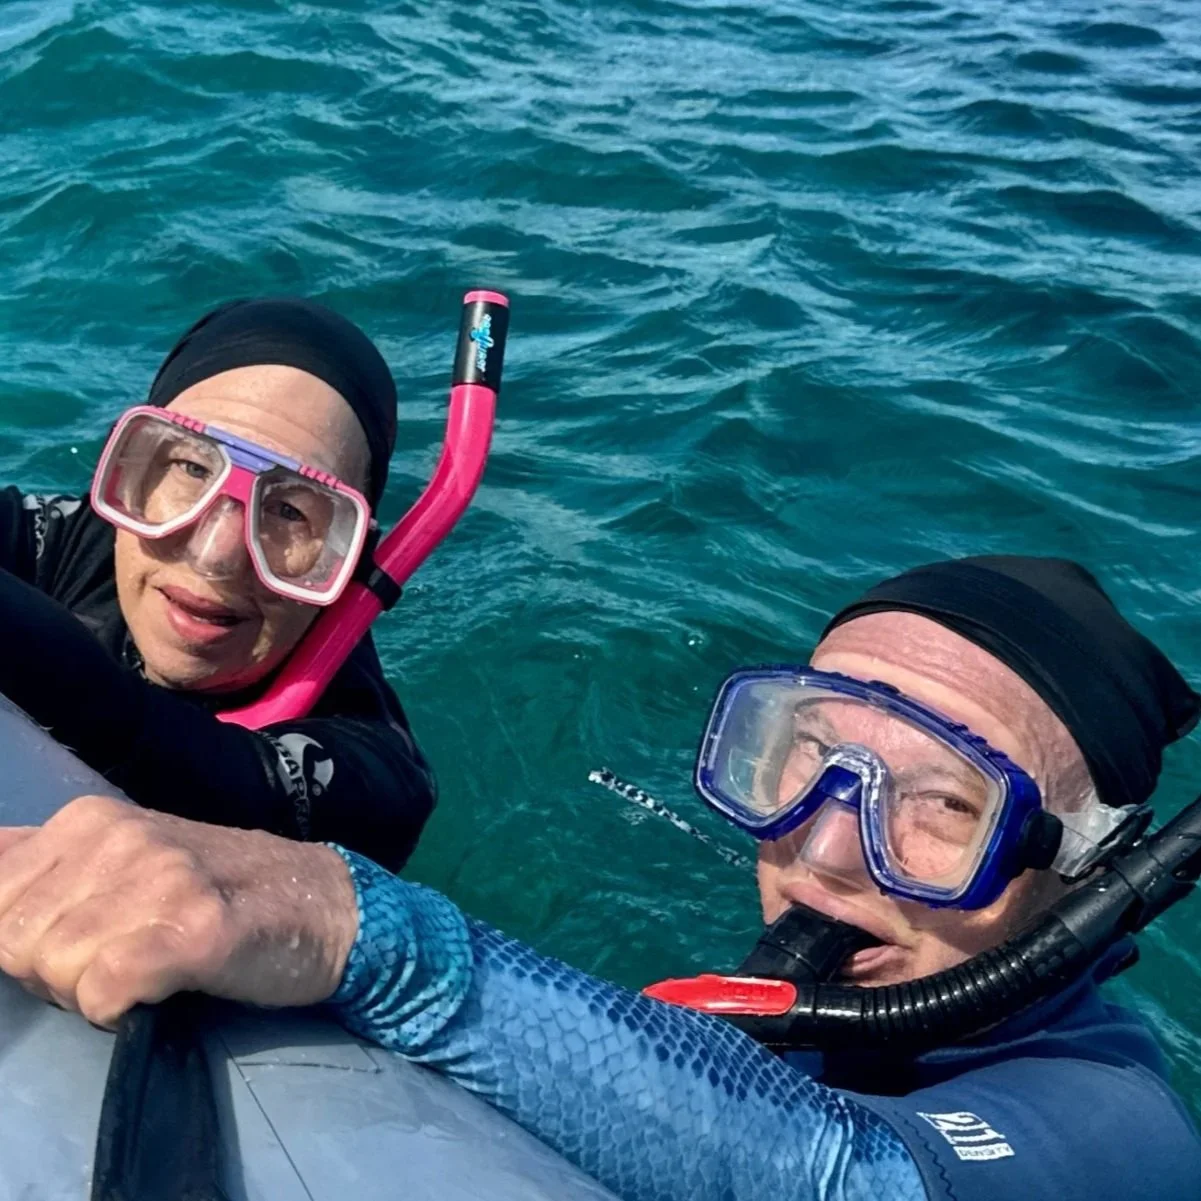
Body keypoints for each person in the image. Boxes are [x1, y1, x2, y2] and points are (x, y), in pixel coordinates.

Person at [1, 555, 1199, 1201]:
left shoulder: (1119, 1125)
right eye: (806, 756)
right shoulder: (850, 975)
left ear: (1081, 873)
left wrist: (364, 929)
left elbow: (854, 1179)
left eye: (942, 805)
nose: (826, 850)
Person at [0, 298, 435, 869]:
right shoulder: (74, 541)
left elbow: (219, 779)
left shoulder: (374, 766)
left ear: (346, 557)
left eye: (291, 510)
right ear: (133, 468)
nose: (215, 556)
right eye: (192, 468)